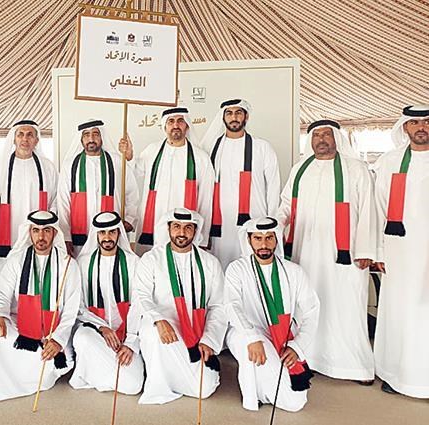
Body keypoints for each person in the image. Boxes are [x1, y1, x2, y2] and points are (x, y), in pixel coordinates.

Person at [277, 119, 376, 384]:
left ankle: (355, 366)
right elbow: (286, 204)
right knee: (307, 304)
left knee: (346, 306)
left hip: (345, 255)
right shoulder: (300, 169)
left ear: (336, 139)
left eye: (326, 135)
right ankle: (309, 357)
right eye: (316, 135)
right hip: (305, 251)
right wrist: (276, 226)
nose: (321, 139)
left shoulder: (356, 169)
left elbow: (368, 211)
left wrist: (366, 249)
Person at [0, 211, 80, 402]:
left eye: (46, 230)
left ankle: (33, 367)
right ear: (29, 233)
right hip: (22, 328)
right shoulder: (16, 260)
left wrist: (58, 339)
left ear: (55, 233)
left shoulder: (68, 265)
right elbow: (1, 293)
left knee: (50, 359)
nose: (41, 236)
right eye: (36, 230)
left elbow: (71, 311)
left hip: (54, 330)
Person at [225, 217, 319, 412]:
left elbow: (312, 310)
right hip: (244, 333)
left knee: (296, 401)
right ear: (249, 240)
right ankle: (252, 398)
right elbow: (232, 306)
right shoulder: (237, 269)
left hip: (282, 336)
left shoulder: (294, 271)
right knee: (254, 354)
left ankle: (264, 388)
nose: (264, 244)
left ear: (277, 239)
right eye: (258, 238)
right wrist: (252, 337)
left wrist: (297, 347)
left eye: (269, 238)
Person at [135, 208, 226, 404]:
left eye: (188, 228)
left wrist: (209, 339)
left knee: (204, 389)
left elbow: (218, 306)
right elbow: (141, 295)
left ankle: (181, 374)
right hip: (162, 326)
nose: (182, 233)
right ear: (168, 228)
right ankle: (159, 384)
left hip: (196, 331)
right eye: (176, 226)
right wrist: (158, 320)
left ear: (195, 231)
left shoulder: (210, 263)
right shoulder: (151, 259)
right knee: (152, 334)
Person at [373, 105, 429, 397]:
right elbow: (378, 208)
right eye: (415, 123)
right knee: (401, 311)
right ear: (405, 127)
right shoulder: (390, 161)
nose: (421, 127)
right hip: (400, 251)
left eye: (427, 122)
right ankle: (398, 376)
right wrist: (379, 252)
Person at [69, 211, 144, 394]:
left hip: (127, 333)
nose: (107, 237)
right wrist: (102, 327)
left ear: (119, 233)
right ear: (96, 234)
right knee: (82, 338)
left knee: (134, 386)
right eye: (102, 232)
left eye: (112, 232)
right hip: (95, 330)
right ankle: (108, 375)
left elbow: (139, 304)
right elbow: (77, 305)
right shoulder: (83, 263)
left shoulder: (134, 262)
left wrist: (130, 341)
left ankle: (102, 374)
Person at [200, 99, 280, 268]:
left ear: (246, 117)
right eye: (229, 113)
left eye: (238, 113)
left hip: (254, 220)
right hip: (220, 224)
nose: (234, 117)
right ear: (223, 117)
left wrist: (271, 225)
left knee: (251, 268)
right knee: (219, 266)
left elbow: (273, 187)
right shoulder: (210, 148)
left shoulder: (262, 147)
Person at [0, 120, 58, 277]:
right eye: (20, 134)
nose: (25, 139)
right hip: (6, 236)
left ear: (36, 140)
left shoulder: (48, 167)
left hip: (38, 235)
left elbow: (55, 201)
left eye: (30, 135)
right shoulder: (0, 167)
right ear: (14, 139)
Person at [134, 107, 214, 253]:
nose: (175, 125)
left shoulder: (201, 158)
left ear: (187, 125)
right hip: (153, 221)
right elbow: (135, 172)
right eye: (171, 121)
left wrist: (203, 236)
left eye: (180, 121)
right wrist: (128, 157)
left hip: (184, 228)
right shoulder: (152, 150)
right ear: (165, 126)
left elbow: (206, 200)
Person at [57, 119, 138, 257]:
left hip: (111, 232)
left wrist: (130, 219)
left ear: (102, 137)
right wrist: (65, 236)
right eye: (86, 135)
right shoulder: (70, 164)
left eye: (95, 134)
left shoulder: (117, 161)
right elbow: (63, 201)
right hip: (80, 233)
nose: (91, 139)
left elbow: (131, 192)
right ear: (81, 139)